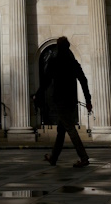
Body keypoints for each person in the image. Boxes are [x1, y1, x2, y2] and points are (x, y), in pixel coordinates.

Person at [34, 36, 93, 168]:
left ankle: (84, 157)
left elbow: (45, 81)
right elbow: (83, 80)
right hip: (71, 100)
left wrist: (37, 96)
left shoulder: (55, 61)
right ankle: (54, 158)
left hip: (60, 100)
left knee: (70, 128)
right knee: (61, 130)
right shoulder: (73, 62)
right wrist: (88, 100)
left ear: (58, 47)